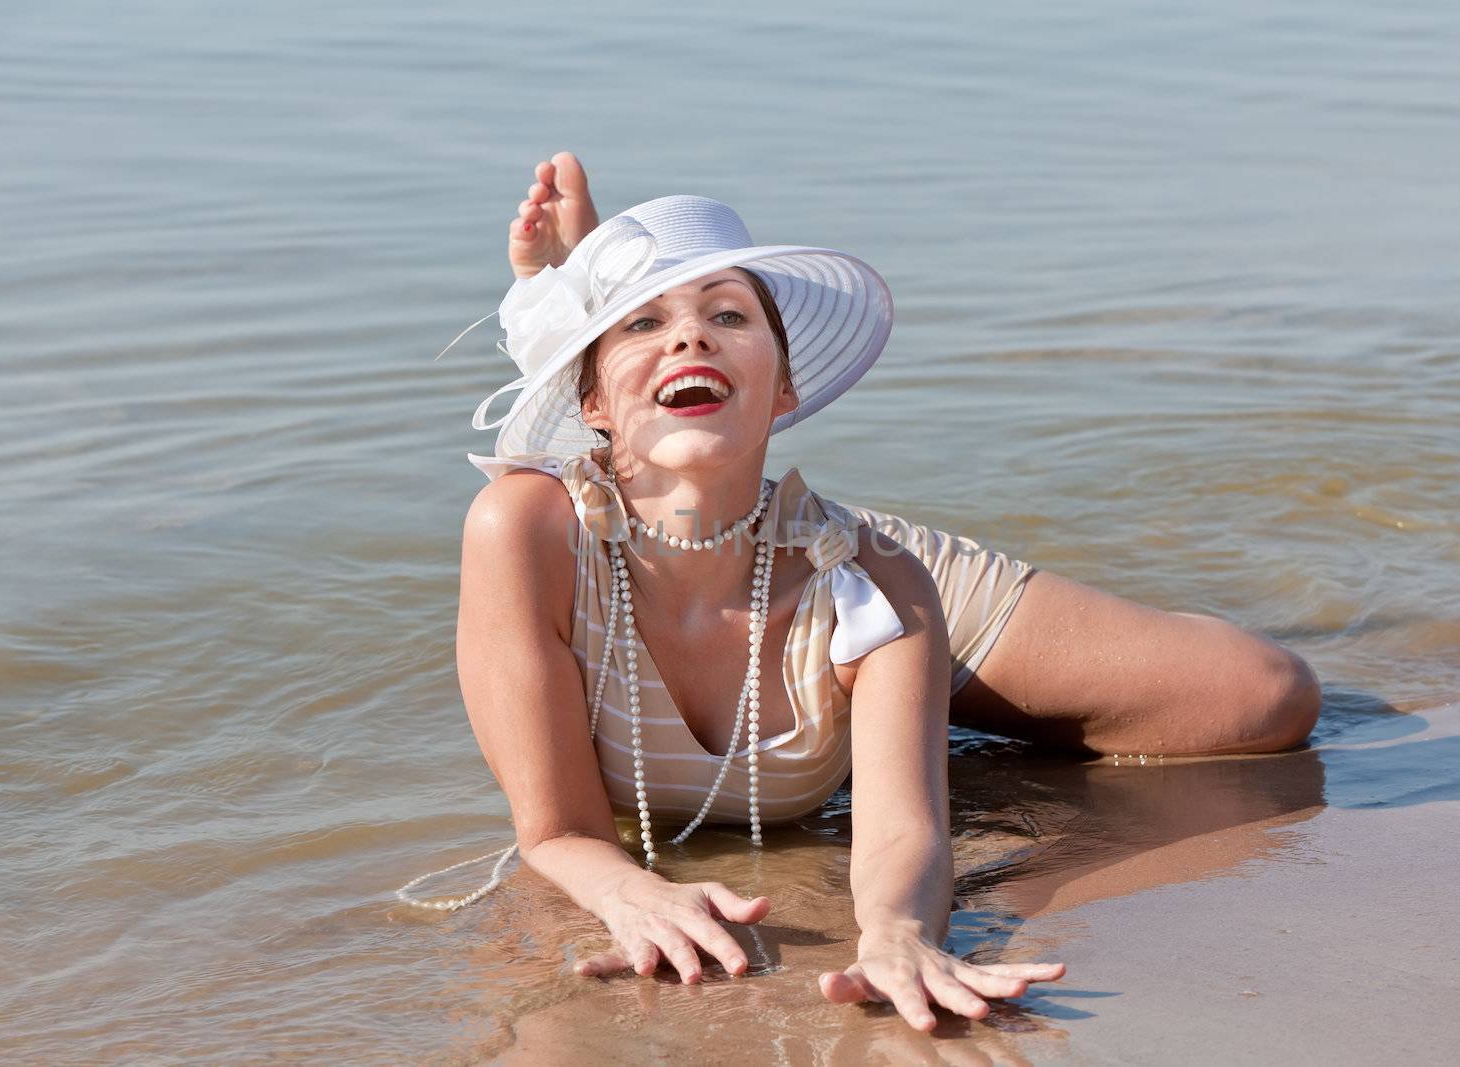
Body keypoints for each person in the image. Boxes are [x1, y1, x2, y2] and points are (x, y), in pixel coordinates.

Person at [410, 152, 1322, 1032]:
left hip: (843, 587)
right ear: (594, 406)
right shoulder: (525, 532)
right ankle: (893, 709)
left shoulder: (882, 584)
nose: (689, 335)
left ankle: (909, 701)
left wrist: (900, 930)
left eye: (726, 314)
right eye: (642, 323)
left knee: (1265, 698)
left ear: (784, 390)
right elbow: (559, 831)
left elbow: (899, 839)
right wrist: (629, 887)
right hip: (704, 557)